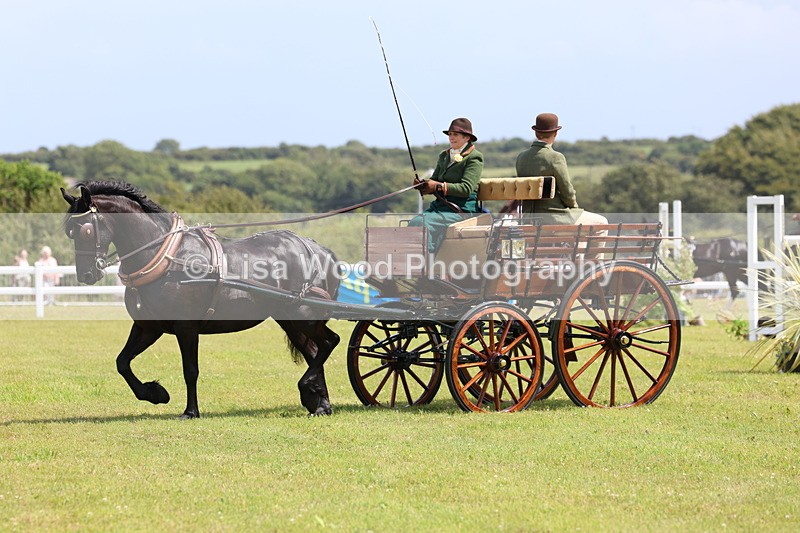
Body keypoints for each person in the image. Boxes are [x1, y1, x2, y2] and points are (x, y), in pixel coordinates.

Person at [515, 113, 608, 228]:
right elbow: (566, 190)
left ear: (536, 132)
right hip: (554, 217)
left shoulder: (521, 157)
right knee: (602, 222)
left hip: (528, 218)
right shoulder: (555, 157)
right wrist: (574, 208)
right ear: (555, 133)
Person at [409, 117, 484, 254]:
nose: (451, 138)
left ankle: (428, 265)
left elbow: (466, 189)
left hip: (460, 210)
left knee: (421, 224)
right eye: (450, 134)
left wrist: (438, 186)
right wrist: (423, 185)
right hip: (440, 207)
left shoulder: (474, 157)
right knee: (414, 223)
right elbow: (434, 180)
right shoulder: (444, 156)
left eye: (455, 134)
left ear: (466, 137)